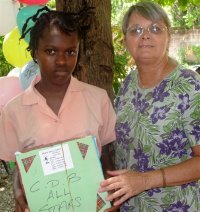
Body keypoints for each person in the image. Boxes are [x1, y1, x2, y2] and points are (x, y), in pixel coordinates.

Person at [0, 6, 116, 212]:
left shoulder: (98, 99)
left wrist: (112, 194)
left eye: (70, 52)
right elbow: (18, 163)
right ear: (35, 51)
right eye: (50, 51)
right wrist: (18, 190)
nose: (62, 61)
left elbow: (105, 153)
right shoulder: (13, 111)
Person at [99, 2, 200, 211]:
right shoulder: (129, 82)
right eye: (136, 30)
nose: (145, 36)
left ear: (168, 36)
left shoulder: (190, 86)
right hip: (131, 205)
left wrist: (145, 180)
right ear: (126, 40)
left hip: (174, 205)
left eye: (155, 28)